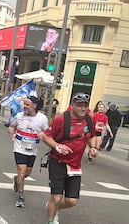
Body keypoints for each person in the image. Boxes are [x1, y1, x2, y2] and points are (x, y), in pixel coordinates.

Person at [39, 93, 98, 224]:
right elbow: (45, 136)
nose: (83, 108)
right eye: (79, 105)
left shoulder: (89, 120)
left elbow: (91, 135)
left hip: (75, 165)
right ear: (72, 106)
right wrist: (57, 146)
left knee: (72, 201)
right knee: (57, 197)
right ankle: (51, 219)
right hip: (58, 162)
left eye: (85, 106)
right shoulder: (61, 120)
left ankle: (52, 207)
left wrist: (93, 147)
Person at [8, 96, 48, 207]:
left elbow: (47, 132)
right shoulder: (19, 116)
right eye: (24, 104)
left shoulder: (42, 118)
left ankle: (17, 179)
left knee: (27, 173)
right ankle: (21, 197)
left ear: (34, 106)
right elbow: (12, 126)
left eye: (27, 104)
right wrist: (11, 131)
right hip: (19, 147)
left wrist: (45, 137)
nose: (24, 106)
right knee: (22, 170)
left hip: (32, 149)